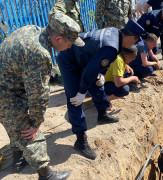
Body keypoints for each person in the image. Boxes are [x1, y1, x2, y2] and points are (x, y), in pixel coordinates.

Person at [0, 13, 83, 180]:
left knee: (13, 123)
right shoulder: (40, 54)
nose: (70, 47)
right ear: (59, 38)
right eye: (69, 43)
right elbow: (38, 96)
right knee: (28, 131)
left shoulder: (33, 30)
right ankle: (46, 175)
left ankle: (18, 160)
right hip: (6, 91)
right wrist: (36, 122)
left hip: (8, 83)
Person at [56, 19, 144, 160]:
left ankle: (102, 114)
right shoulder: (112, 46)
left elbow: (99, 61)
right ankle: (80, 140)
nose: (132, 45)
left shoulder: (115, 32)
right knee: (75, 100)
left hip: (84, 59)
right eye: (134, 42)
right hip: (69, 60)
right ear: (132, 38)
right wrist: (82, 92)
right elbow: (89, 72)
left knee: (97, 83)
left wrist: (101, 75)